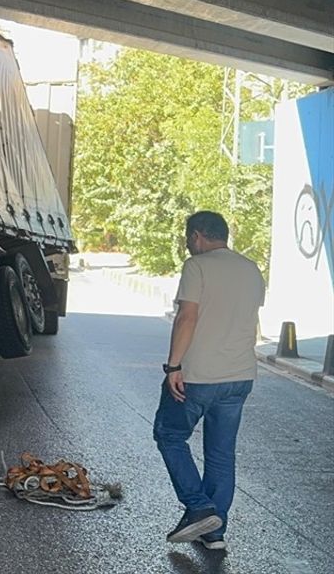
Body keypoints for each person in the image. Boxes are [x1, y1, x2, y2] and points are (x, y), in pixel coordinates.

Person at [153, 211, 265, 551]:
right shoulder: (252, 269)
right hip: (240, 376)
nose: (189, 245)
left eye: (190, 239)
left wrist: (173, 366)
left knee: (169, 434)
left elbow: (188, 317)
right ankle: (213, 533)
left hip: (198, 375)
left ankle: (199, 506)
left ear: (198, 236)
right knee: (221, 454)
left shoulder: (196, 267)